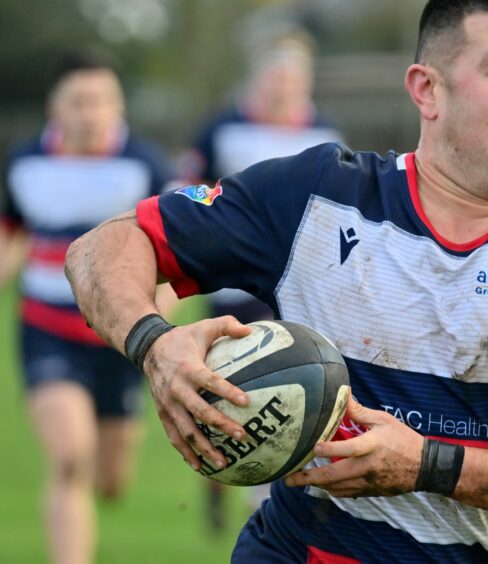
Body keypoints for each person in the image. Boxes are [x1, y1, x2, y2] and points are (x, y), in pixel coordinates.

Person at [64, 1, 488, 561]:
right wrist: (154, 344)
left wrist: (429, 465)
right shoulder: (316, 196)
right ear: (427, 90)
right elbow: (103, 247)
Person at [0, 51, 175, 564]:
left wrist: (153, 322)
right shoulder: (26, 161)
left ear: (118, 106)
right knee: (70, 457)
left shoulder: (144, 164)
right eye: (79, 101)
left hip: (121, 340)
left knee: (110, 479)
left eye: (101, 101)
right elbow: (12, 236)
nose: (91, 112)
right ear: (56, 107)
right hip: (46, 328)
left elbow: (170, 252)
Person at [180, 29, 344, 530]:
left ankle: (266, 492)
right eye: (276, 70)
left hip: (296, 286)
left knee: (281, 385)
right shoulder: (223, 128)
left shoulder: (326, 135)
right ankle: (216, 478)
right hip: (230, 286)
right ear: (259, 74)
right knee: (225, 388)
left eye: (293, 72)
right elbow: (185, 190)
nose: (284, 81)